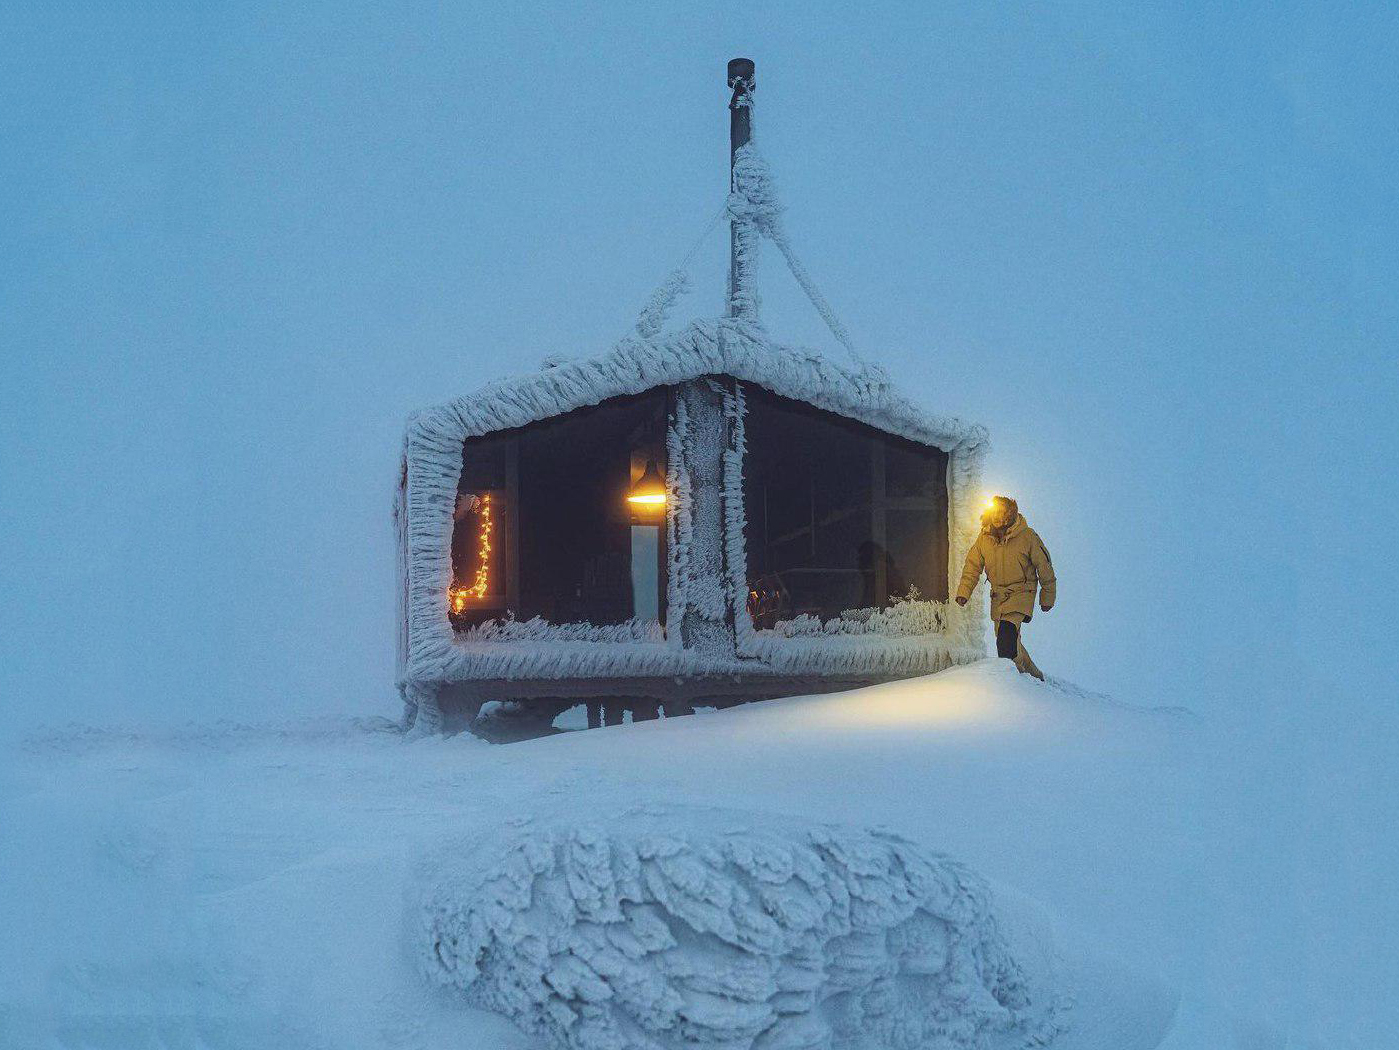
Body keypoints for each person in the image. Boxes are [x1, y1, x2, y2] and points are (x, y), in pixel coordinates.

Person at [954, 496, 1055, 680]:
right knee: (1009, 641)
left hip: (1022, 593)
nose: (998, 519)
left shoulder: (1027, 536)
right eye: (994, 514)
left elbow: (1045, 566)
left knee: (1006, 640)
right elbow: (972, 566)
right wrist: (964, 592)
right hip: (998, 597)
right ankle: (1033, 677)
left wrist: (1047, 597)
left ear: (1010, 515)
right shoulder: (984, 538)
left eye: (1002, 515)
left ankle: (1014, 683)